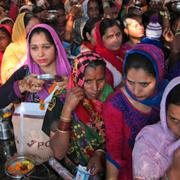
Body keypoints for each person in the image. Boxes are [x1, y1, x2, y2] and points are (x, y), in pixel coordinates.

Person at [102, 43, 167, 180]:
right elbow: (114, 154)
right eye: (130, 82)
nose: (136, 91)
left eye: (144, 84)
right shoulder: (116, 105)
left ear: (159, 76)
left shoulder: (166, 96)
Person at [46, 51, 113, 177]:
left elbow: (114, 134)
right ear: (77, 78)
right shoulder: (60, 100)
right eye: (88, 81)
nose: (95, 87)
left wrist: (99, 153)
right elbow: (59, 153)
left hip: (104, 166)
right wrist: (67, 111)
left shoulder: (108, 95)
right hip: (72, 170)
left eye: (100, 80)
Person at [0, 24, 71, 109]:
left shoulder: (74, 70)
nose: (40, 54)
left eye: (46, 47)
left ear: (56, 47)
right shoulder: (25, 72)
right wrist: (22, 86)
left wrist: (71, 86)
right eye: (34, 48)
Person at [133, 76, 180, 180]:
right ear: (164, 113)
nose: (179, 129)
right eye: (174, 120)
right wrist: (174, 173)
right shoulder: (149, 143)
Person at [1, 12, 40, 84]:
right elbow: (8, 77)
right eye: (33, 29)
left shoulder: (41, 46)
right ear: (21, 29)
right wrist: (27, 56)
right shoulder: (12, 49)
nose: (38, 32)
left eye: (39, 28)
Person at [94, 18, 123, 88]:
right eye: (110, 36)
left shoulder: (121, 54)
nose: (116, 40)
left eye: (118, 34)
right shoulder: (98, 61)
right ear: (101, 39)